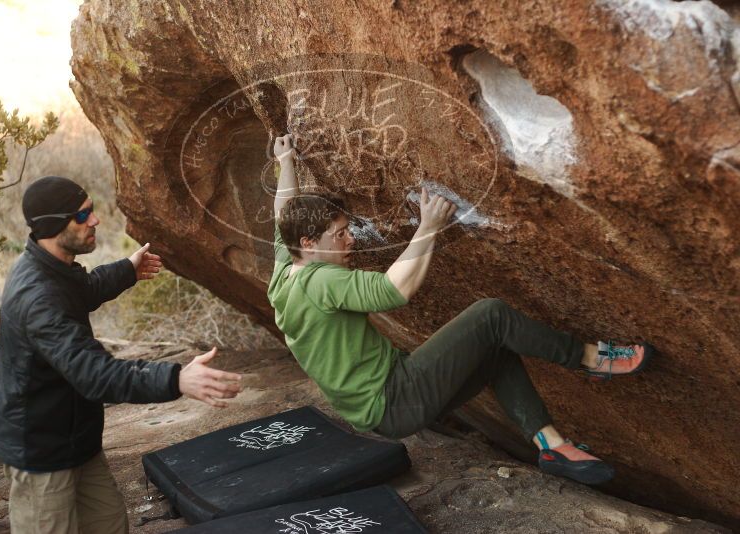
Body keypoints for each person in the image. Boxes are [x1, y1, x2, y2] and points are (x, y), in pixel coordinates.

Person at [266, 135, 653, 485]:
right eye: (340, 234)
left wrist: (286, 161)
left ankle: (550, 444)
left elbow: (283, 211)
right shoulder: (322, 281)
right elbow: (394, 289)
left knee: (493, 350)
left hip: (384, 407)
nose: (351, 239)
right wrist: (428, 225)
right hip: (395, 398)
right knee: (491, 314)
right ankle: (592, 358)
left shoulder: (287, 270)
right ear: (310, 243)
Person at [0, 176, 243, 533]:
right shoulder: (37, 296)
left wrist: (127, 269)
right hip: (41, 459)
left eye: (91, 211)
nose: (94, 221)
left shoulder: (53, 266)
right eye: (82, 217)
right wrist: (177, 379)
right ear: (52, 226)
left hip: (78, 443)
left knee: (111, 526)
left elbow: (83, 289)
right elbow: (95, 373)